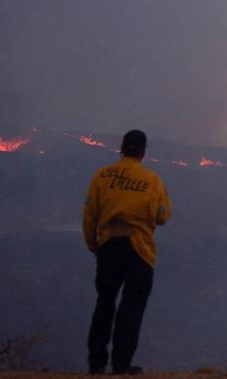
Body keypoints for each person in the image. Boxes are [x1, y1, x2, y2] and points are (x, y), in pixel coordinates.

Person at [83, 130, 171, 375]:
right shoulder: (152, 180)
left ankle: (96, 362)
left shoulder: (102, 176)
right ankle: (121, 364)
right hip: (139, 249)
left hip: (109, 245)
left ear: (121, 149)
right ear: (143, 151)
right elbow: (162, 215)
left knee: (105, 302)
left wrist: (94, 244)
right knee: (132, 307)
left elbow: (90, 213)